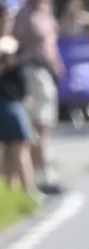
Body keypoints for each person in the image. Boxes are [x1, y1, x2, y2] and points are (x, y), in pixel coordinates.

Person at [12, 0, 65, 194]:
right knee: (39, 123)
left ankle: (43, 173)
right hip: (33, 69)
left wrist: (57, 65)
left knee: (46, 123)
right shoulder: (25, 13)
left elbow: (51, 42)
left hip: (47, 70)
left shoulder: (46, 10)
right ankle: (43, 177)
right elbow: (18, 40)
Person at [0, 2, 37, 200]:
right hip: (5, 100)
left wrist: (27, 96)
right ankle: (25, 193)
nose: (7, 22)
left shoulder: (13, 41)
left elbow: (22, 75)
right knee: (17, 147)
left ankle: (17, 193)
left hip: (17, 97)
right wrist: (4, 62)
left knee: (15, 147)